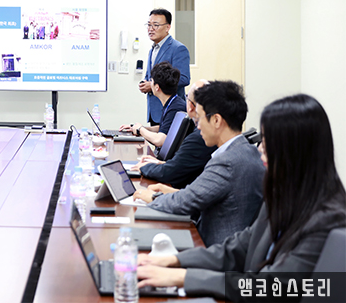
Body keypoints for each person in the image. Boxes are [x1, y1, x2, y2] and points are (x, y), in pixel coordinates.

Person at [136, 94, 346, 300]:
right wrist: (174, 260)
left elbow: (271, 288)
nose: (260, 149)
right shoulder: (285, 195)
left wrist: (183, 277)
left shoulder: (327, 219)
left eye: (268, 144)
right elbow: (239, 248)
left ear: (295, 151)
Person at [133, 81, 265, 247]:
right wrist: (172, 191)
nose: (198, 125)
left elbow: (185, 203)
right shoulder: (245, 151)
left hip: (213, 249)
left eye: (201, 117)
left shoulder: (227, 162)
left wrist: (153, 197)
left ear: (216, 120)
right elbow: (201, 195)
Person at [129, 80, 217, 188]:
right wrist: (161, 164)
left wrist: (143, 167)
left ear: (190, 106)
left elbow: (170, 172)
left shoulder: (200, 137)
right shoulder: (207, 133)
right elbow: (181, 165)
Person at [139, 8, 190, 126]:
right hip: (154, 111)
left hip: (171, 111)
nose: (151, 29)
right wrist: (145, 84)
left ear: (167, 27)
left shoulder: (178, 48)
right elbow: (151, 77)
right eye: (149, 25)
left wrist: (153, 85)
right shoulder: (153, 49)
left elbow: (184, 79)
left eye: (156, 25)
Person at [120, 61, 186, 149]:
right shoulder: (172, 102)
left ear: (157, 87)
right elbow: (163, 128)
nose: (150, 84)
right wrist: (138, 128)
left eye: (151, 81)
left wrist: (141, 129)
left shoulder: (175, 108)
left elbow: (160, 140)